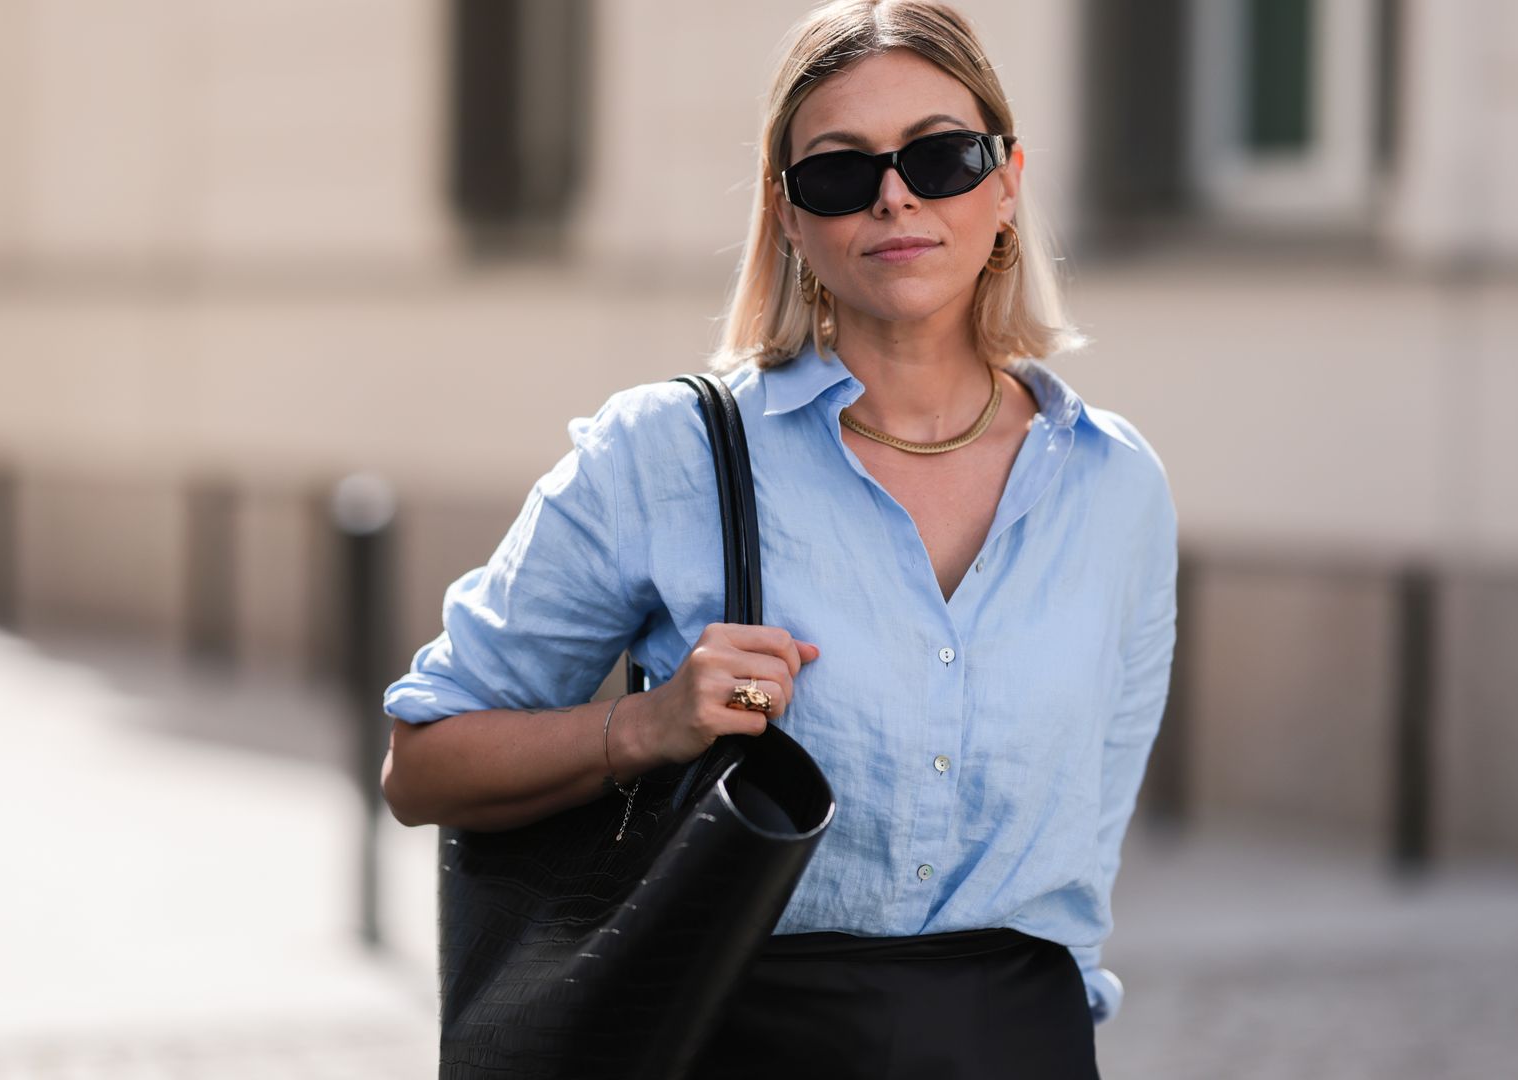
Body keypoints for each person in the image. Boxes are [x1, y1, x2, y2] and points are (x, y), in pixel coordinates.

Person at [380, 2, 1176, 1076]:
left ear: (1006, 181)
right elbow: (423, 767)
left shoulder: (1113, 485)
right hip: (745, 1042)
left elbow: (1085, 852)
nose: (895, 195)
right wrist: (653, 725)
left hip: (1018, 1042)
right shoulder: (666, 453)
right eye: (840, 172)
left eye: (940, 156)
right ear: (789, 215)